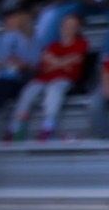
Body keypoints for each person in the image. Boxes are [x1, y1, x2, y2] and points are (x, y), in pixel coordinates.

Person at [12, 11, 85, 140]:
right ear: (61, 27)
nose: (68, 29)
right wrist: (64, 62)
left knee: (53, 91)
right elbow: (46, 64)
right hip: (44, 78)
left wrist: (55, 62)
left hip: (65, 78)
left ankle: (47, 128)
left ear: (77, 29)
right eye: (65, 25)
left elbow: (76, 59)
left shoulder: (81, 43)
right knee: (28, 93)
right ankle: (16, 129)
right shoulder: (52, 45)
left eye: (72, 26)